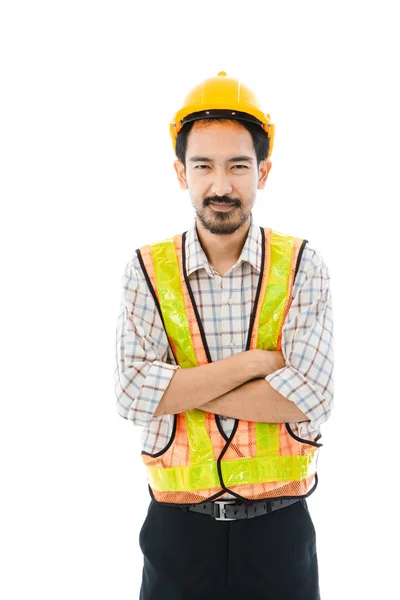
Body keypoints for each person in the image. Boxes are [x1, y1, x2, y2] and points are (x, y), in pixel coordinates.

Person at [114, 71, 334, 600]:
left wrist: (182, 389)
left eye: (238, 166)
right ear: (180, 173)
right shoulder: (147, 270)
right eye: (203, 166)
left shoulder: (302, 265)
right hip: (177, 532)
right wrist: (256, 363)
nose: (220, 185)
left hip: (279, 531)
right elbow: (132, 395)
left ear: (263, 170)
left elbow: (313, 396)